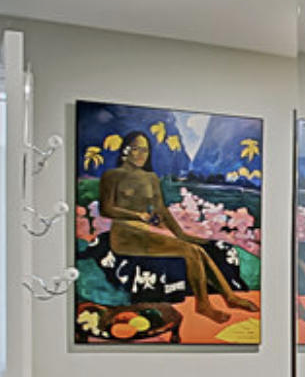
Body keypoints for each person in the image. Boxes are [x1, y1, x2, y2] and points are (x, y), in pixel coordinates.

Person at [94, 132, 258, 322]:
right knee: (190, 252)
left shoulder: (150, 178)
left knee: (197, 250)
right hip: (124, 235)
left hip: (143, 232)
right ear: (125, 150)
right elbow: (106, 209)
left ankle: (230, 297)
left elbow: (161, 209)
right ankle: (203, 305)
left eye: (145, 150)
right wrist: (136, 215)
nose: (141, 154)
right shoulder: (112, 176)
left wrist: (182, 234)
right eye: (136, 148)